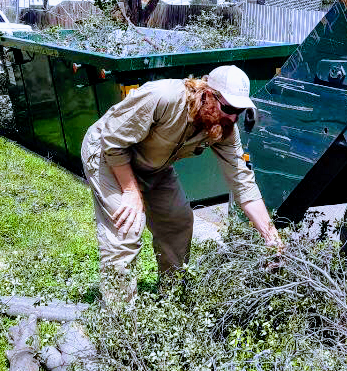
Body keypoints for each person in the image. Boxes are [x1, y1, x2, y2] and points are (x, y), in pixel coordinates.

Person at [81, 65, 281, 302]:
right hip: (108, 153)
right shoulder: (164, 97)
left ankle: (171, 300)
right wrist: (130, 190)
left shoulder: (225, 127)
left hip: (152, 165)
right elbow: (113, 140)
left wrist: (272, 238)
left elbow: (243, 183)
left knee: (178, 221)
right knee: (128, 227)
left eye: (239, 110)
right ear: (207, 93)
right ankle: (119, 319)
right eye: (227, 107)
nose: (232, 117)